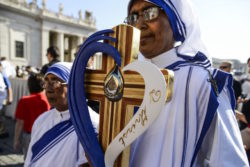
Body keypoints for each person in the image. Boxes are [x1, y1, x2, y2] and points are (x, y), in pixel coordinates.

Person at [125, 0, 248, 166]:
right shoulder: (126, 81)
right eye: (133, 17)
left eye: (150, 13)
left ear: (174, 17)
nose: (139, 24)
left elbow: (229, 162)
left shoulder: (201, 82)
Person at [24, 62, 99, 167]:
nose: (48, 88)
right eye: (46, 81)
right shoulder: (41, 120)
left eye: (54, 80)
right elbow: (29, 160)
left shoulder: (91, 125)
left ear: (73, 86)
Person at [14, 73, 51, 158]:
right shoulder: (49, 99)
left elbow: (20, 123)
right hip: (46, 135)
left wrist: (16, 140)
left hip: (29, 136)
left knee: (29, 160)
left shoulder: (24, 101)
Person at [0, 62, 13, 138]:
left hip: (2, 100)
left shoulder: (3, 76)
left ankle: (2, 131)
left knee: (1, 117)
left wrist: (10, 98)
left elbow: (9, 87)